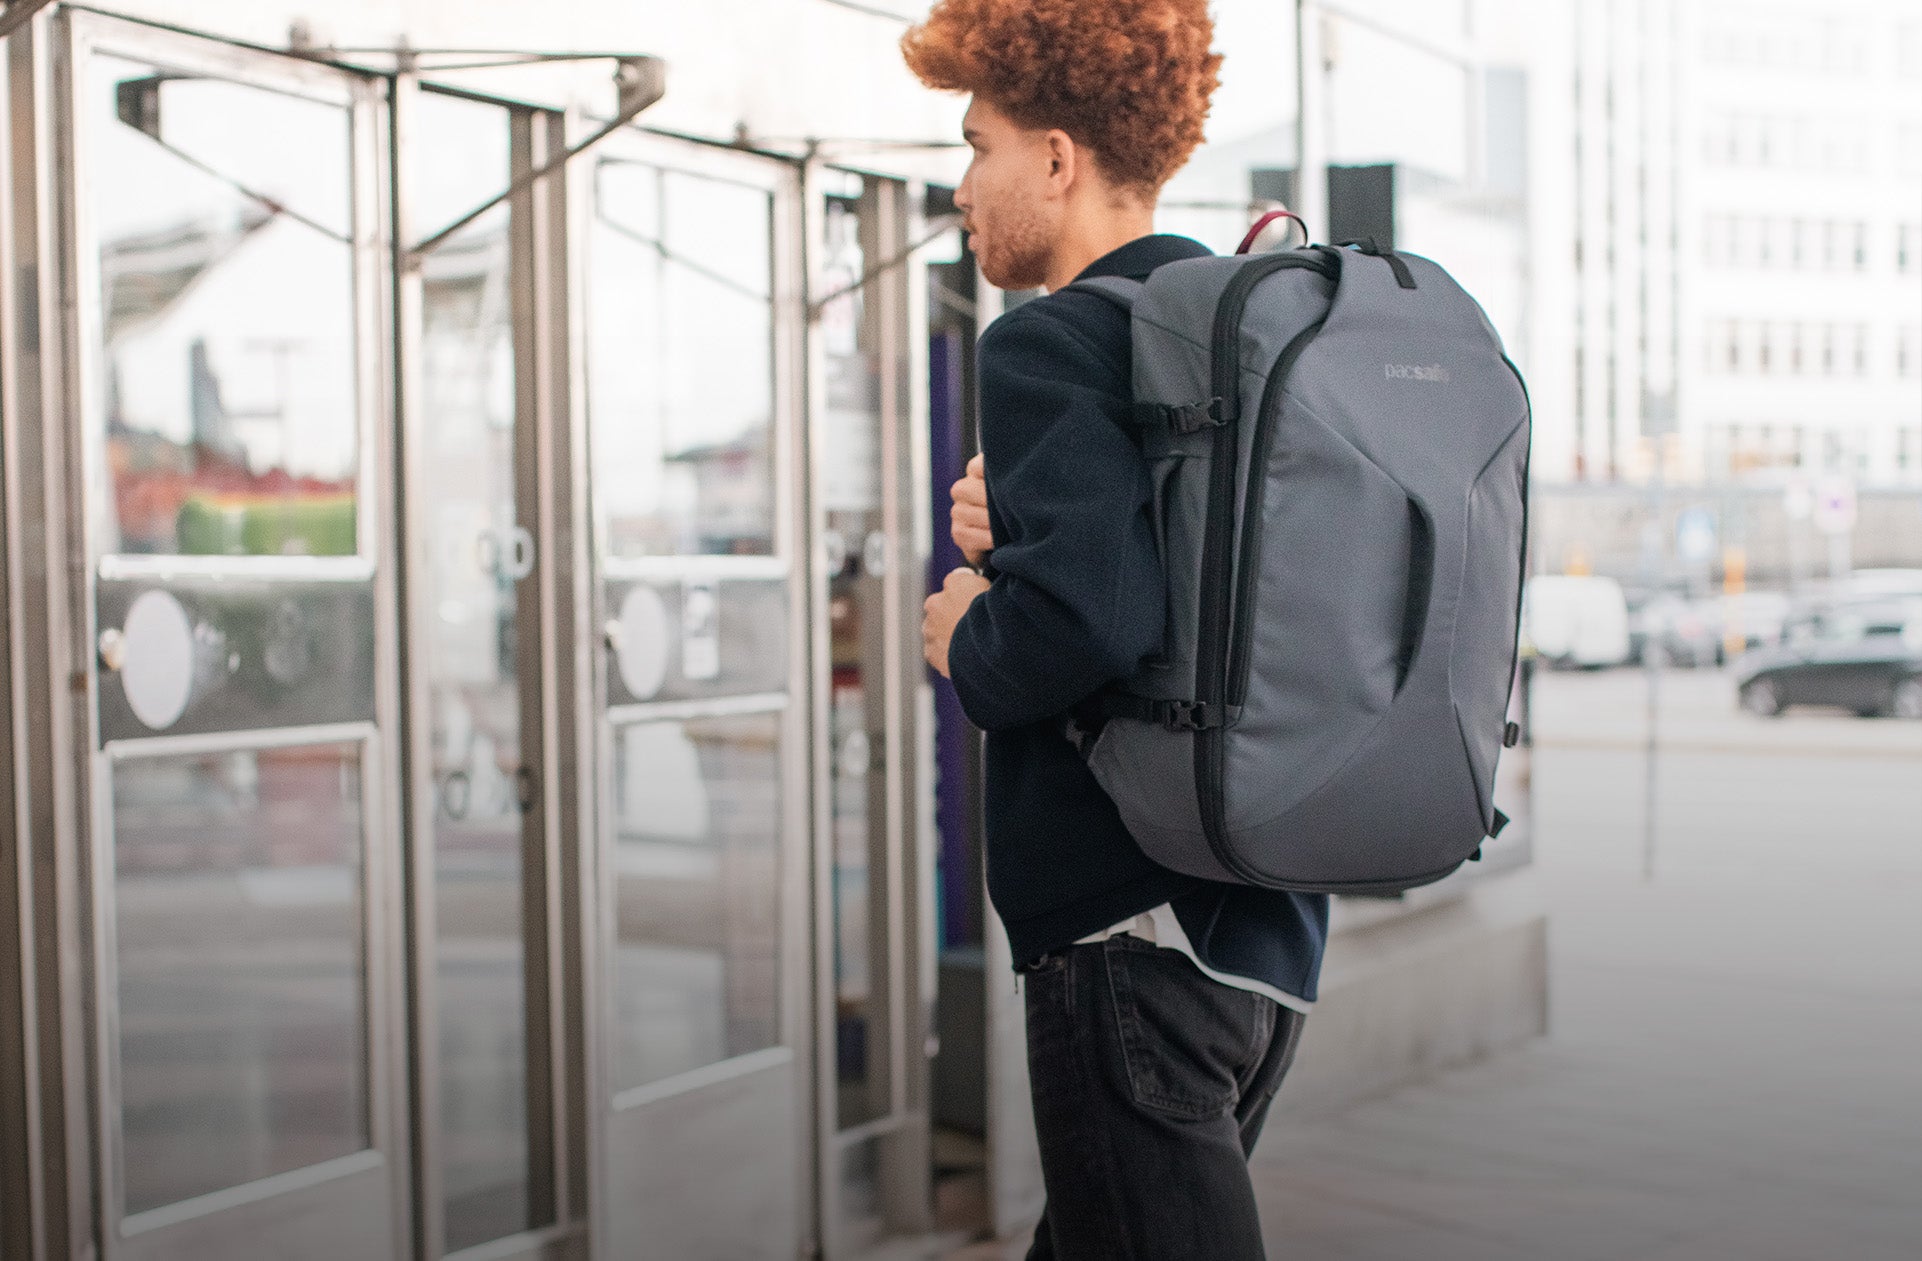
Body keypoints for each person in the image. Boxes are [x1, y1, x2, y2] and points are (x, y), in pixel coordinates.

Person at [905, 3, 1331, 1258]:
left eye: (975, 147)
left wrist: (966, 633)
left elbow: (1090, 618)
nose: (960, 189)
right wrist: (1018, 535)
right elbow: (1181, 573)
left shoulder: (1049, 340)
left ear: (1054, 158)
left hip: (1127, 935)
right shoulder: (1229, 327)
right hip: (1260, 926)